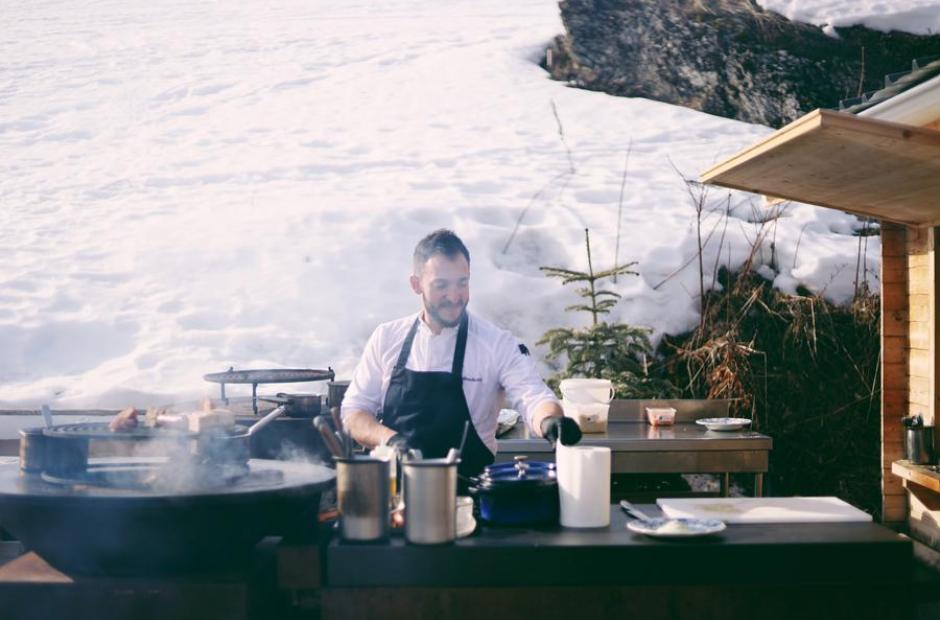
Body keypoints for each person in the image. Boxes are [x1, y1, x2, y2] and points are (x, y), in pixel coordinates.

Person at [341, 229, 581, 477]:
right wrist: (391, 440)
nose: (454, 297)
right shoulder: (387, 337)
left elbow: (532, 395)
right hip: (396, 498)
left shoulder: (496, 343)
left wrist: (550, 421)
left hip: (471, 497)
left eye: (462, 283)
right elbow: (353, 414)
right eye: (441, 285)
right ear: (416, 284)